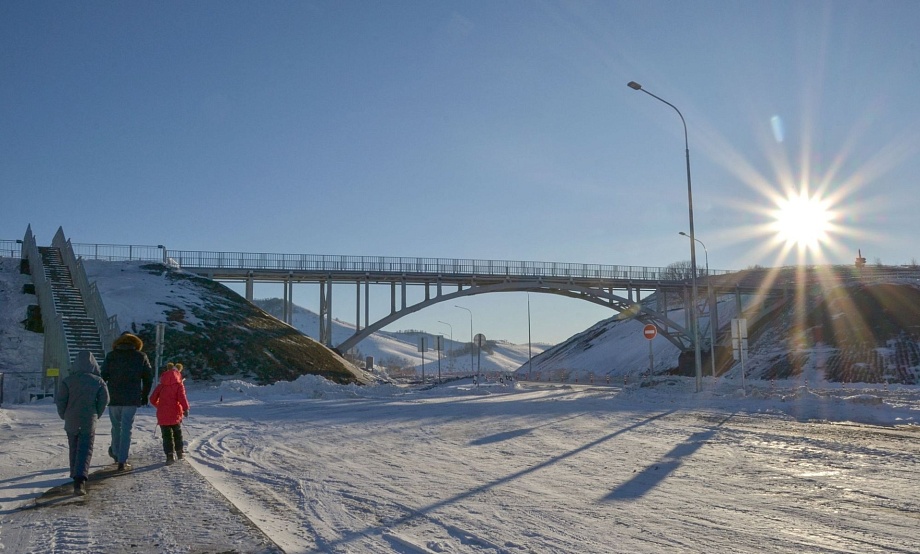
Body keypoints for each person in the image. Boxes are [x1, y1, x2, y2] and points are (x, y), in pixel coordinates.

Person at [56, 350, 110, 496]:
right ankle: (80, 481)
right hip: (88, 419)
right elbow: (105, 400)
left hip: (71, 419)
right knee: (85, 449)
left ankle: (74, 474)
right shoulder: (98, 381)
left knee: (73, 447)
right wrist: (96, 414)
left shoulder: (67, 381)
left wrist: (64, 415)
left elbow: (61, 400)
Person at [101, 331, 153, 471]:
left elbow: (103, 376)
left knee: (116, 427)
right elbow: (148, 378)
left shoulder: (111, 356)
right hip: (131, 397)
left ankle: (116, 452)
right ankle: (122, 461)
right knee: (126, 428)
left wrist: (102, 395)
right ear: (135, 343)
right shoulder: (141, 356)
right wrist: (144, 395)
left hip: (113, 397)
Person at [150, 361, 190, 464]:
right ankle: (179, 452)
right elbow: (182, 398)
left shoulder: (161, 385)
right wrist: (185, 409)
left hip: (163, 415)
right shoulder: (178, 385)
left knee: (166, 436)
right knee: (177, 433)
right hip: (175, 413)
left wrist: (160, 406)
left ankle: (169, 456)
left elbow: (152, 399)